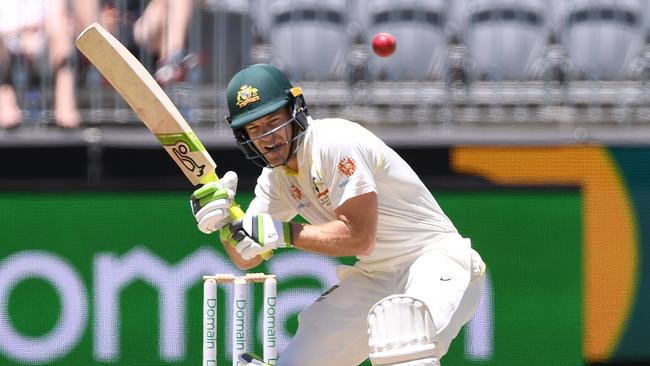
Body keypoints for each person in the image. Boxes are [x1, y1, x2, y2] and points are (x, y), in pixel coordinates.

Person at [191, 63, 486, 366]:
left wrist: (284, 233)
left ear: (295, 111)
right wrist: (225, 222)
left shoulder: (334, 142)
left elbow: (359, 237)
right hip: (376, 276)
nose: (268, 137)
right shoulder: (275, 180)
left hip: (435, 260)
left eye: (273, 122)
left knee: (405, 341)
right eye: (255, 129)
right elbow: (247, 257)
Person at [0, 0, 95, 129]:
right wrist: (25, 32)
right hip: (8, 42)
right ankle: (5, 104)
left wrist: (30, 34)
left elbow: (56, 19)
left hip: (42, 40)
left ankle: (65, 104)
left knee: (61, 35)